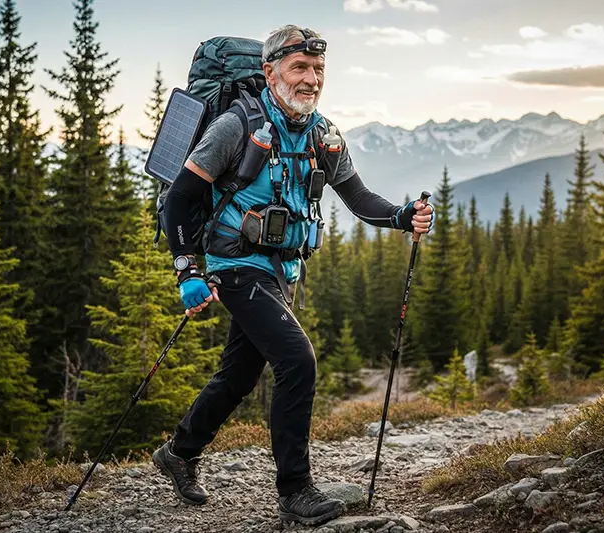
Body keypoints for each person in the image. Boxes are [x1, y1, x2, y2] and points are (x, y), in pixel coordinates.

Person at [152, 24, 435, 527]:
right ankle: (295, 490)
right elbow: (180, 195)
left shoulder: (324, 134)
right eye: (299, 68)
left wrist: (400, 214)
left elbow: (360, 199)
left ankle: (179, 452)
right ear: (270, 72)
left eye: (318, 69)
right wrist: (185, 269)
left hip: (282, 271)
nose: (311, 79)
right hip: (235, 266)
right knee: (297, 360)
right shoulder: (236, 126)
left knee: (239, 374)